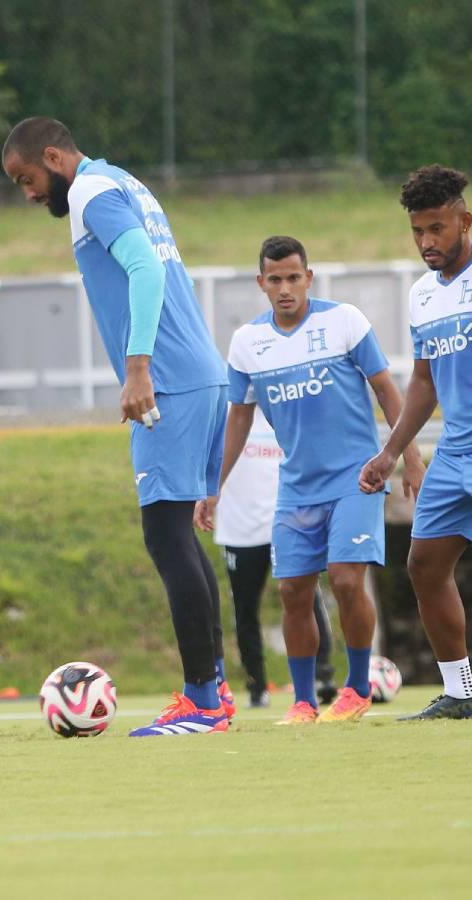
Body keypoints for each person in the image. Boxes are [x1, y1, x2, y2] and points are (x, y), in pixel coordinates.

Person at [2, 117, 235, 737]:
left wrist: (138, 368)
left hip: (169, 380)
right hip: (200, 373)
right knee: (178, 535)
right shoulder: (123, 181)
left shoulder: (89, 191)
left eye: (27, 178)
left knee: (164, 536)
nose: (28, 194)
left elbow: (146, 271)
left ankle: (203, 701)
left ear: (53, 156)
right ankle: (212, 689)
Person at [197, 236, 423, 725]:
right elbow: (238, 418)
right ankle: (302, 702)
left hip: (356, 478)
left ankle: (358, 687)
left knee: (345, 579)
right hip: (297, 486)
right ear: (261, 283)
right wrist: (212, 486)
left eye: (293, 277)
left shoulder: (343, 321)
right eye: (274, 279)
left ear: (308, 278)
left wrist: (411, 459)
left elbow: (388, 390)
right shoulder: (247, 344)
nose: (284, 288)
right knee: (293, 592)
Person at [361, 164, 472, 720]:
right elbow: (424, 381)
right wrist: (390, 452)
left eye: (437, 229)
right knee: (425, 565)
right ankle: (463, 692)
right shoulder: (424, 296)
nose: (427, 242)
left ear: (464, 221)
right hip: (455, 452)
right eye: (417, 232)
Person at [211, 406, 337, 709]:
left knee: (307, 598)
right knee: (245, 610)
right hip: (240, 531)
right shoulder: (223, 414)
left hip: (287, 524)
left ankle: (323, 677)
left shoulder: (282, 409)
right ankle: (256, 685)